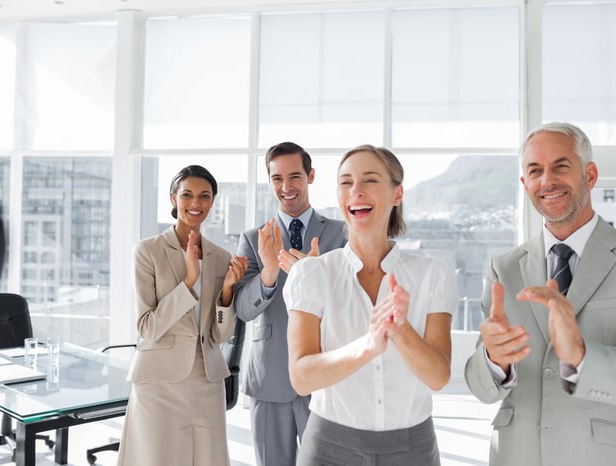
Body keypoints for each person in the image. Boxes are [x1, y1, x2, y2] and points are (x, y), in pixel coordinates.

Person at [464, 122, 616, 466]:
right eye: (535, 171)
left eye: (561, 166)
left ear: (591, 174)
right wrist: (494, 361)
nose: (547, 180)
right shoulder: (503, 269)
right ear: (525, 184)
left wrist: (582, 357)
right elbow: (481, 389)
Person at [284, 144, 457, 465]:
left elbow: (438, 377)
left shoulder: (432, 274)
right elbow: (301, 377)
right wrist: (367, 346)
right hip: (328, 448)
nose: (356, 191)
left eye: (370, 180)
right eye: (346, 182)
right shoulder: (312, 274)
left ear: (397, 193)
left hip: (413, 448)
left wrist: (401, 332)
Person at [117, 165, 248, 466]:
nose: (196, 203)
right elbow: (147, 327)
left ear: (213, 202)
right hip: (158, 381)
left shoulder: (221, 256)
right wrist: (188, 282)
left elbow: (221, 335)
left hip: (207, 380)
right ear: (173, 198)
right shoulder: (147, 250)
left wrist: (227, 291)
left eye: (205, 196)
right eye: (187, 194)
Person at [235, 142, 346, 466]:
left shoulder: (341, 234)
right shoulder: (254, 238)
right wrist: (269, 273)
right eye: (277, 178)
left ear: (310, 176)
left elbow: (353, 298)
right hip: (270, 378)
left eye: (295, 176)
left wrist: (315, 276)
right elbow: (243, 309)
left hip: (324, 373)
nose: (286, 187)